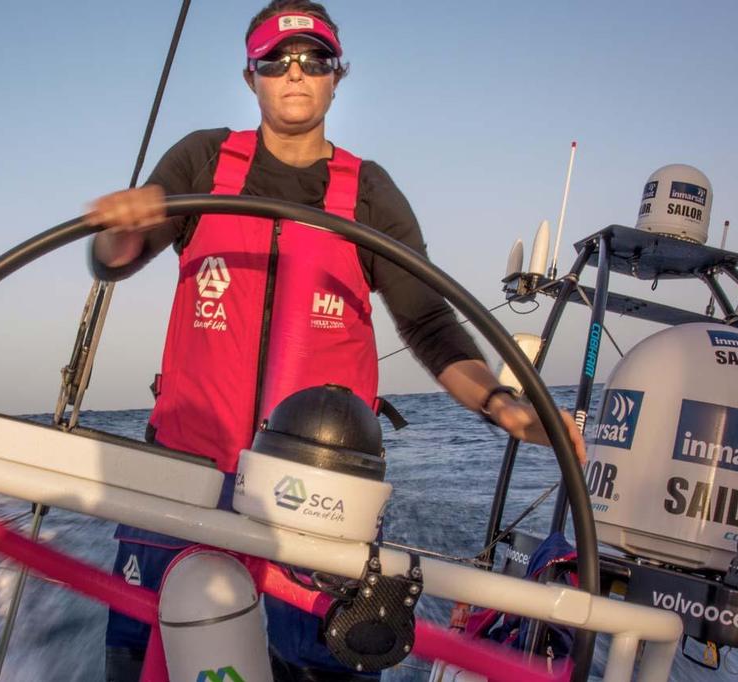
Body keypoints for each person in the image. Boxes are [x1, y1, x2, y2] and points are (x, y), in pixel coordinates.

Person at [88, 2, 587, 680]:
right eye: (277, 60)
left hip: (320, 499)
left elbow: (431, 325)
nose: (295, 73)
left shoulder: (371, 194)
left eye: (314, 59)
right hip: (185, 480)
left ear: (337, 75)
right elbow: (120, 252)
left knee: (320, 664)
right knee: (146, 660)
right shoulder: (204, 160)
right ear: (251, 75)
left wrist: (504, 407)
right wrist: (120, 226)